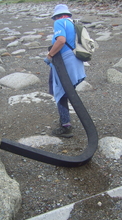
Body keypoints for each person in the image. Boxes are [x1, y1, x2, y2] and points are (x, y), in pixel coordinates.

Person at [44, 4, 86, 138]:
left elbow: (61, 40)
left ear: (57, 15)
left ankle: (65, 125)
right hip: (76, 61)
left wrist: (49, 55)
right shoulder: (73, 24)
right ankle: (65, 121)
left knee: (60, 92)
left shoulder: (59, 22)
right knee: (67, 92)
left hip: (64, 63)